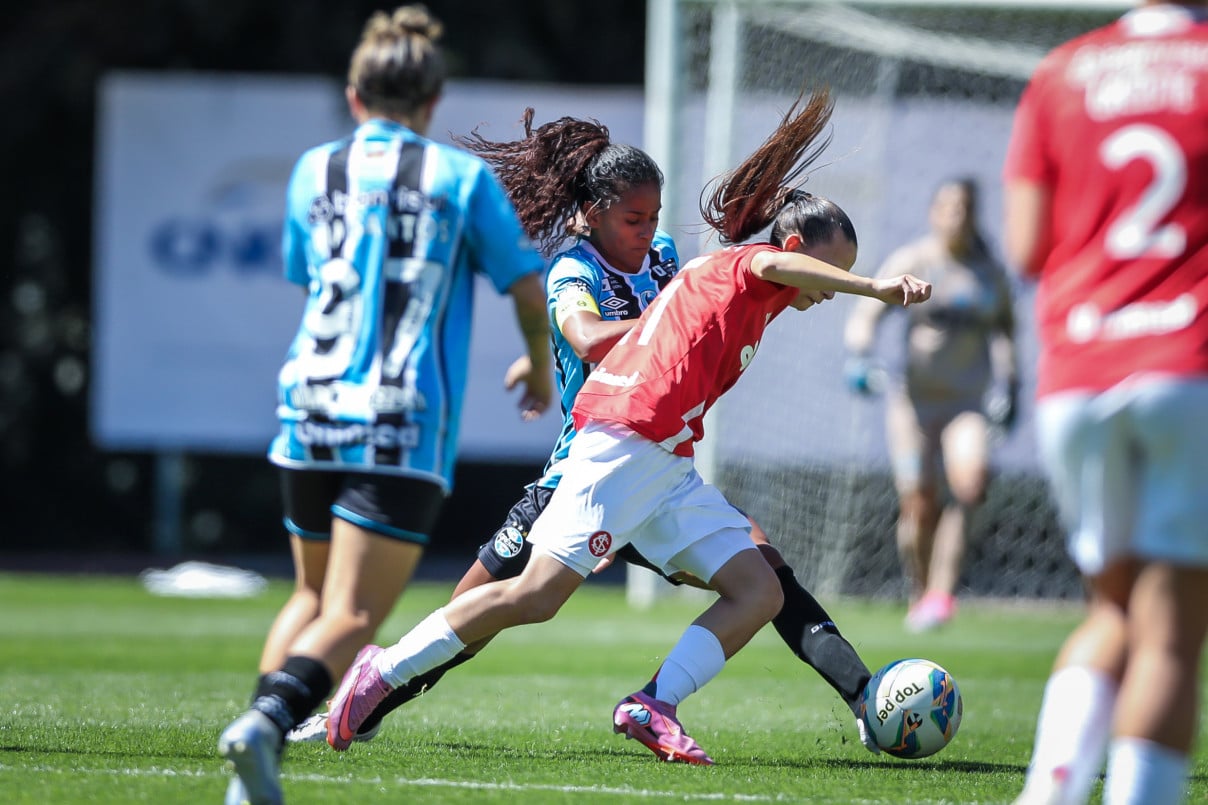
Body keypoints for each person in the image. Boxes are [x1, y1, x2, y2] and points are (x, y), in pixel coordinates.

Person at [323, 86, 931, 768]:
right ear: (796, 250)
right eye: (830, 269)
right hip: (617, 448)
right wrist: (874, 287)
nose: (830, 284)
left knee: (761, 586)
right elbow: (764, 263)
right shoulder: (741, 268)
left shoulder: (704, 273)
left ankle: (655, 703)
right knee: (531, 596)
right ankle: (378, 674)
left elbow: (744, 283)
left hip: (664, 462)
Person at [216, 7, 553, 805]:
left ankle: (252, 770)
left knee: (309, 596)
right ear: (434, 102)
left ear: (354, 96)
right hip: (399, 420)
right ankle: (265, 726)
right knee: (357, 614)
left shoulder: (313, 170)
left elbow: (310, 275)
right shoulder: (459, 177)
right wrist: (541, 368)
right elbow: (523, 282)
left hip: (308, 409)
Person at [1003, 3, 1208, 803]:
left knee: (1113, 609)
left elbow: (1027, 247)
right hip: (1187, 365)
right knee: (1171, 630)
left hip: (1079, 373)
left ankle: (1047, 793)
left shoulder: (1061, 71)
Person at [843, 177, 1019, 632]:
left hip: (967, 404)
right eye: (946, 206)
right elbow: (868, 311)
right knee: (918, 502)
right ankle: (920, 594)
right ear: (933, 212)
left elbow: (1006, 334)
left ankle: (943, 593)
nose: (954, 215)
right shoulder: (914, 260)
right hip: (913, 403)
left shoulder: (988, 273)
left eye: (963, 208)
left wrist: (1012, 386)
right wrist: (860, 356)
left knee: (970, 486)